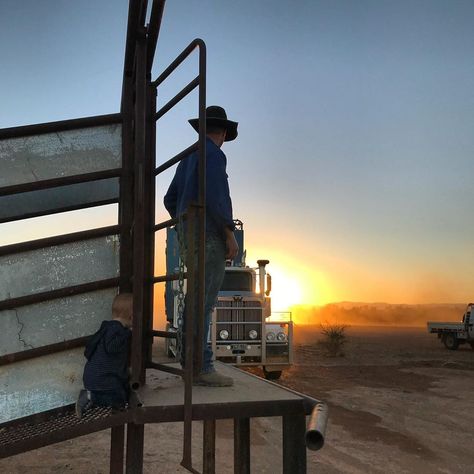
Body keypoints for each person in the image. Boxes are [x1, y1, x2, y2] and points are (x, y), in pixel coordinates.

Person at [164, 105, 239, 387]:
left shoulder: (188, 158)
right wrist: (229, 234)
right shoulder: (214, 155)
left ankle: (189, 362)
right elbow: (217, 197)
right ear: (222, 132)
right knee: (204, 303)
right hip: (208, 236)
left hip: (190, 237)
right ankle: (203, 367)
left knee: (193, 300)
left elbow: (170, 199)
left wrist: (184, 225)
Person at [75, 293, 133, 418]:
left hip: (95, 376)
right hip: (103, 378)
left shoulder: (107, 327)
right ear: (131, 316)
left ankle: (91, 399)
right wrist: (128, 334)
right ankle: (90, 397)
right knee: (119, 398)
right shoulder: (117, 330)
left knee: (119, 394)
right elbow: (112, 347)